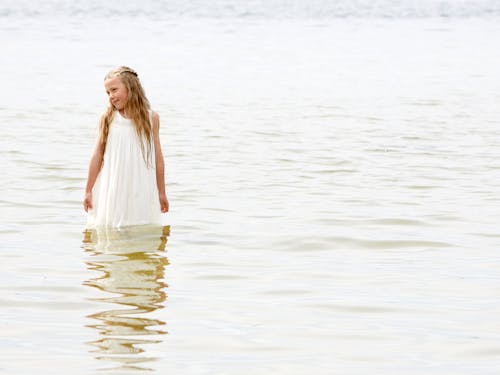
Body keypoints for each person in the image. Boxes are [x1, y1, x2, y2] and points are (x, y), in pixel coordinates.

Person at [83, 66, 169, 228]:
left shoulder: (151, 118)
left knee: (141, 231)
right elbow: (97, 156)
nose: (111, 97)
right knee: (111, 231)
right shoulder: (108, 118)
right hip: (113, 186)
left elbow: (158, 157)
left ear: (130, 88)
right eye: (107, 93)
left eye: (114, 90)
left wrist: (162, 192)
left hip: (140, 185)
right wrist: (88, 190)